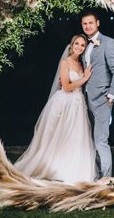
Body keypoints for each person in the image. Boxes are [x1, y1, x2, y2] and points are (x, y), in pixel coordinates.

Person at [14, 34, 97, 183]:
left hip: (78, 104)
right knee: (58, 136)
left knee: (75, 137)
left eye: (82, 45)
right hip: (64, 102)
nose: (79, 47)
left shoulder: (82, 64)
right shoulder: (65, 62)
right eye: (77, 43)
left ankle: (71, 169)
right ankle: (53, 167)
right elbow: (65, 86)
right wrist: (84, 79)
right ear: (71, 45)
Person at [81, 11, 114, 178]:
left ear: (97, 23)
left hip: (102, 99)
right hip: (86, 98)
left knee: (101, 140)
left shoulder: (108, 42)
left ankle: (106, 179)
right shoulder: (84, 43)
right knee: (91, 140)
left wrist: (111, 95)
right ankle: (96, 176)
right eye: (84, 23)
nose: (87, 26)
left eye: (90, 23)